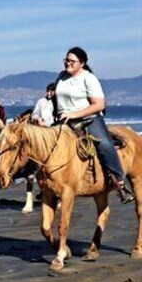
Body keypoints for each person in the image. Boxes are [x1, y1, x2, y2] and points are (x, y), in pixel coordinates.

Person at [55, 46, 134, 203]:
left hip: (88, 119)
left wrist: (73, 114)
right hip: (63, 120)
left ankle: (120, 183)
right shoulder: (61, 77)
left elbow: (99, 105)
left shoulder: (88, 78)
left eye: (72, 61)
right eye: (66, 60)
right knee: (42, 144)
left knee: (104, 144)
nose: (67, 63)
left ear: (82, 63)